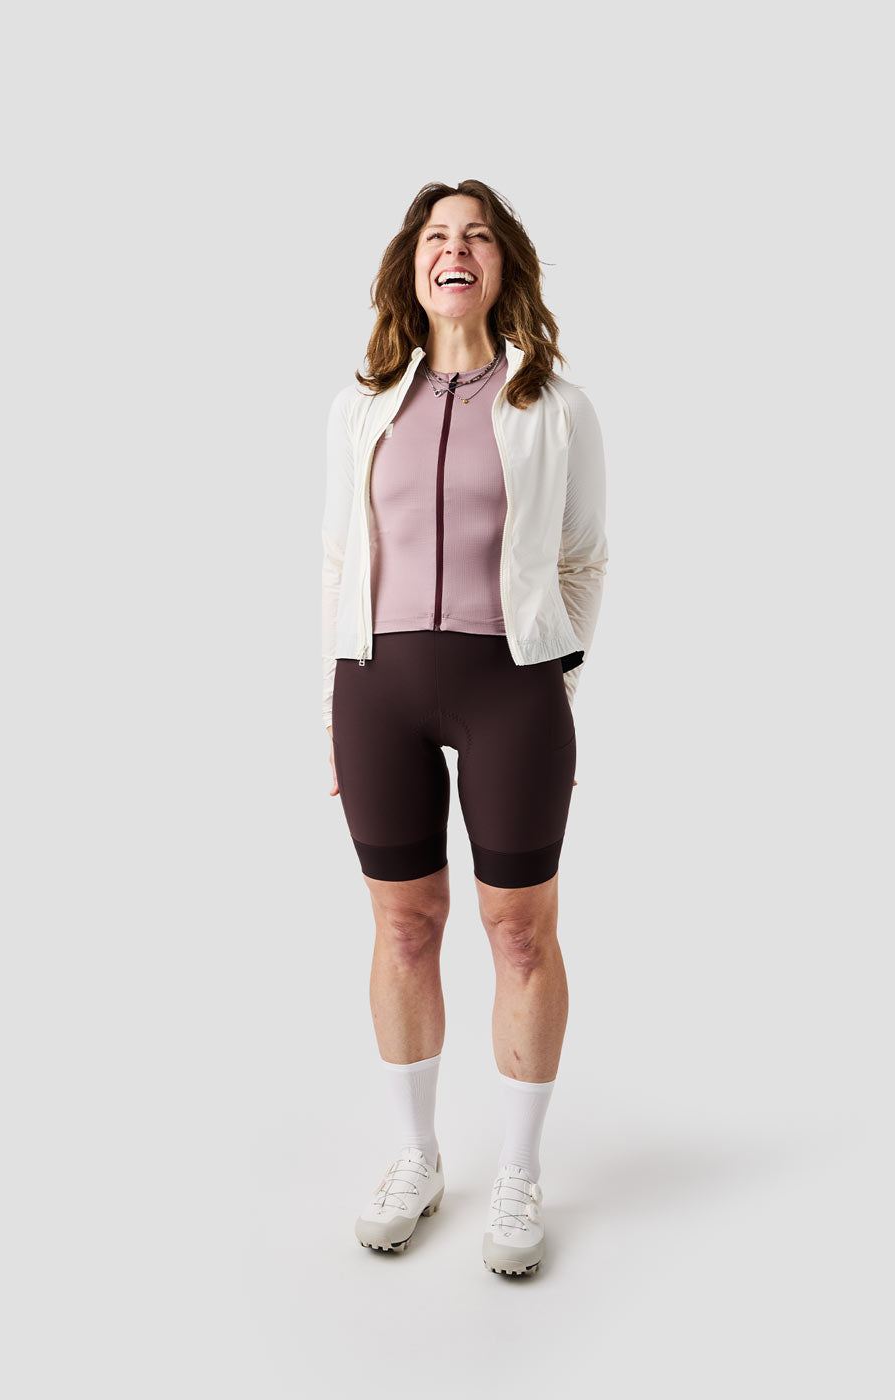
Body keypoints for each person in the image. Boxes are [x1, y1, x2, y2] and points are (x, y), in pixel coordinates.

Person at [320, 180, 607, 1276]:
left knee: (519, 931)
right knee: (403, 926)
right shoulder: (358, 407)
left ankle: (520, 1171)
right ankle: (417, 1157)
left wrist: (552, 679)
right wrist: (332, 702)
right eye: (438, 235)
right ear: (413, 266)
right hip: (377, 689)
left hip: (511, 690)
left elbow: (583, 558)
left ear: (501, 267)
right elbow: (338, 558)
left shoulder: (557, 408)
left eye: (477, 234)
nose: (457, 248)